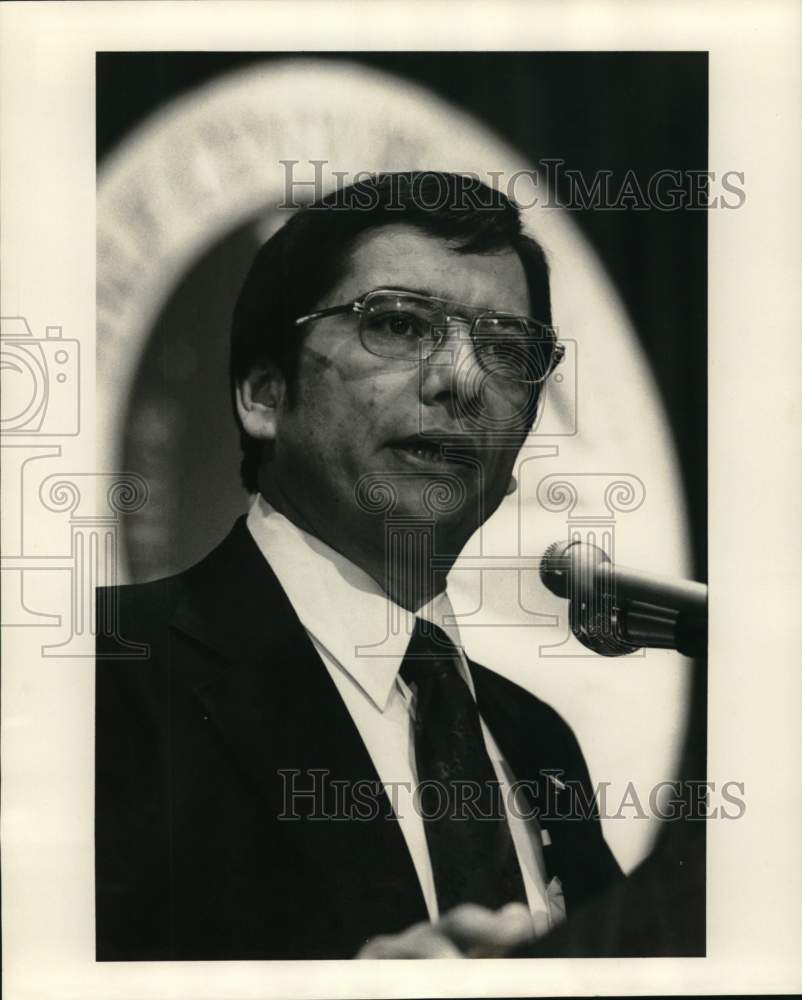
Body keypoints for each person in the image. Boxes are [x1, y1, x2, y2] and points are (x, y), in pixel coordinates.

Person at [95, 172, 623, 961]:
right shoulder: (102, 672)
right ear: (263, 392)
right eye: (401, 325)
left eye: (506, 351)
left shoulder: (541, 743)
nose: (461, 381)